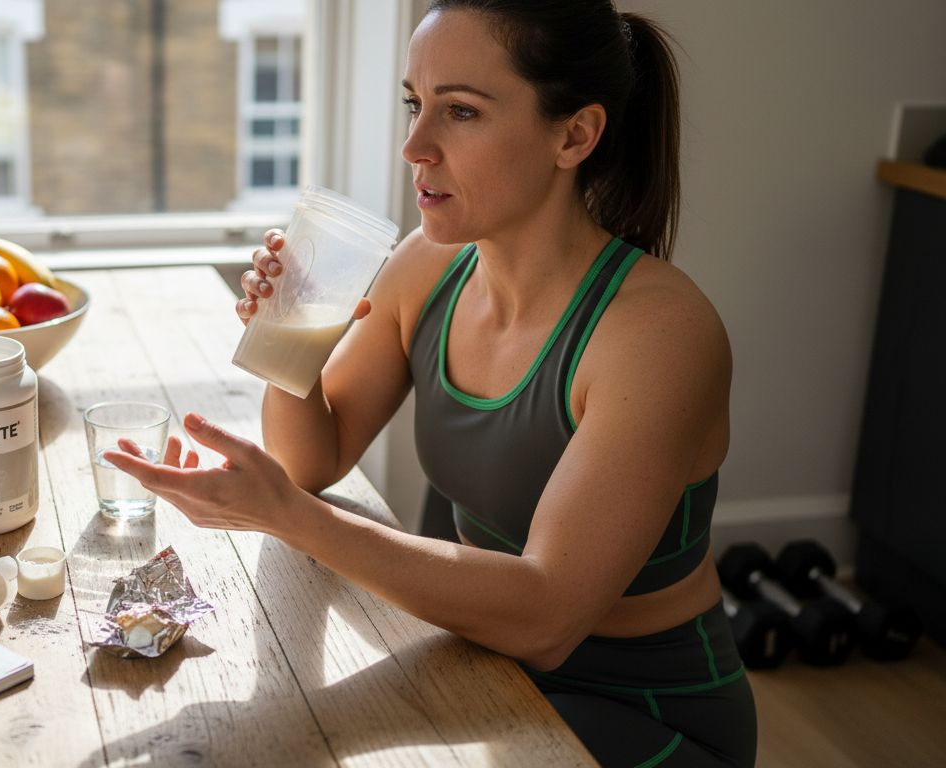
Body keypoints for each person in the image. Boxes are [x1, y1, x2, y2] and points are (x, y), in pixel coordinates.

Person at [106, 1, 756, 765]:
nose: (414, 146)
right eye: (415, 104)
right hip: (480, 657)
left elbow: (547, 617)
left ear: (574, 135)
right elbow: (311, 462)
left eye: (461, 111)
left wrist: (286, 516)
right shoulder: (428, 266)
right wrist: (289, 338)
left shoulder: (659, 334)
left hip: (640, 709)